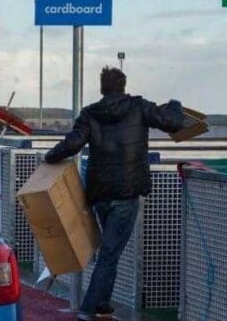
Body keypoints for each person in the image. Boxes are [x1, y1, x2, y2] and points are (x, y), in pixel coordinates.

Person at [44, 67, 186, 321]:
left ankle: (103, 304)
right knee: (110, 253)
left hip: (99, 194)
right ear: (123, 86)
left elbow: (73, 143)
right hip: (126, 193)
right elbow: (174, 123)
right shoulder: (138, 107)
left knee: (110, 250)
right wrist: (175, 104)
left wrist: (49, 156)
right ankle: (88, 309)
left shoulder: (90, 113)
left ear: (102, 88)